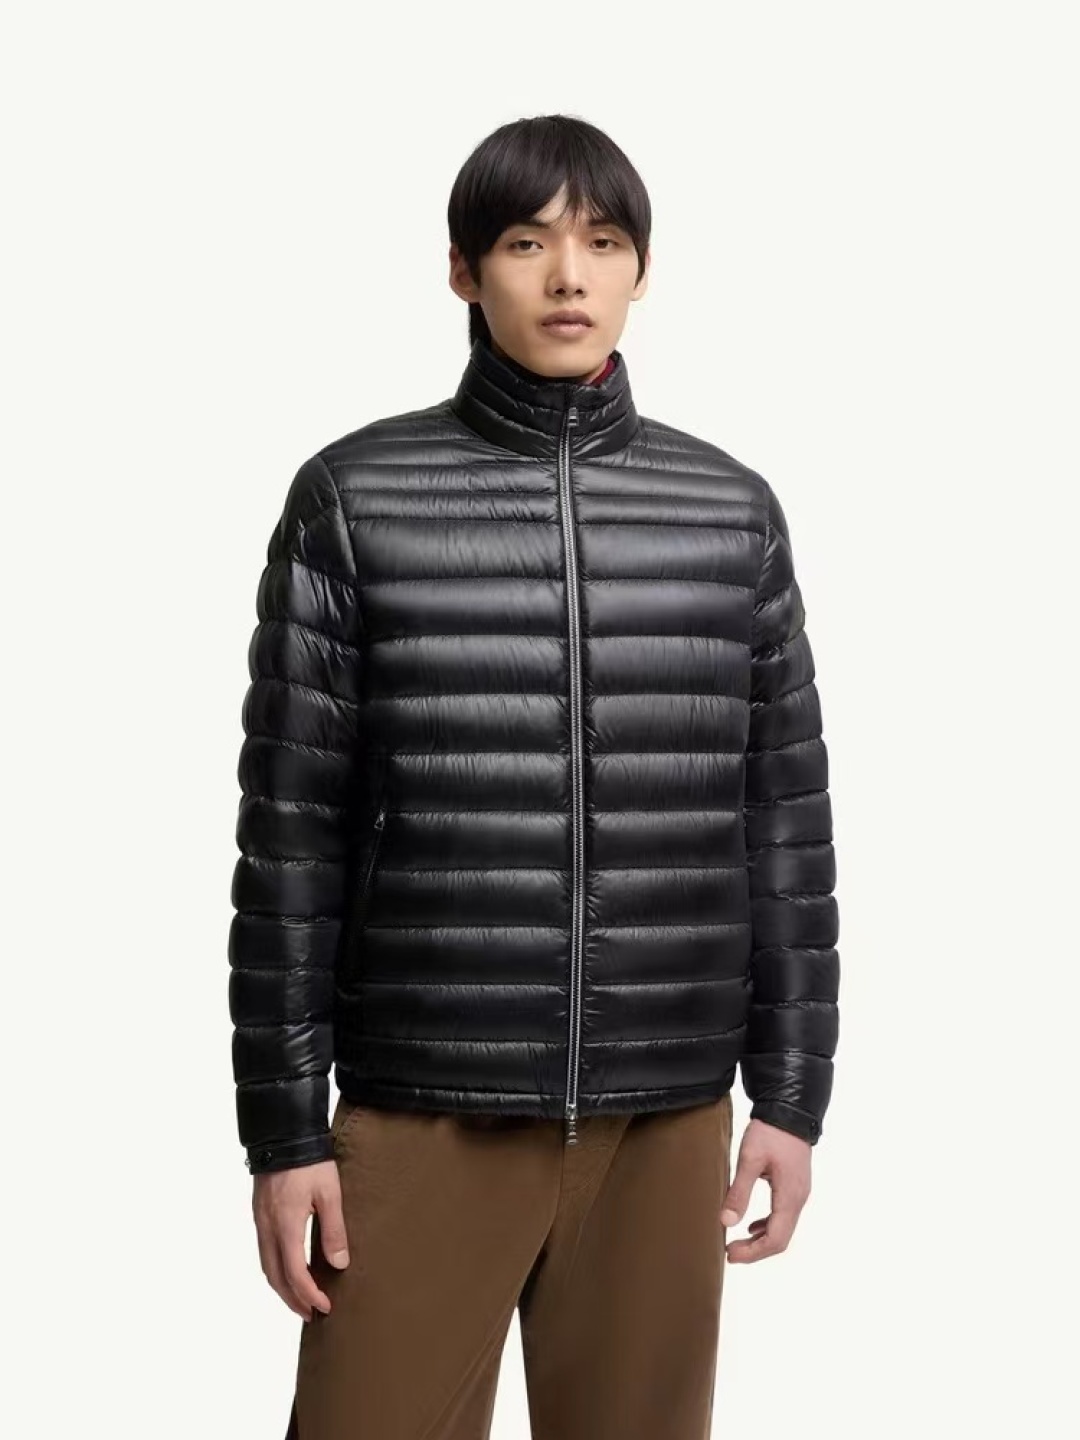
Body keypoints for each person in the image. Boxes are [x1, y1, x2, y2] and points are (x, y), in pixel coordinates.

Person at [228, 112, 840, 1440]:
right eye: (526, 242)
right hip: (422, 1110)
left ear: (641, 270)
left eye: (603, 242)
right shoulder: (354, 500)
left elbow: (782, 827)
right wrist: (285, 1134)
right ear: (463, 269)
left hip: (666, 1113)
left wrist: (791, 1095)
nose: (569, 276)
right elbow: (290, 845)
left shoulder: (730, 513)